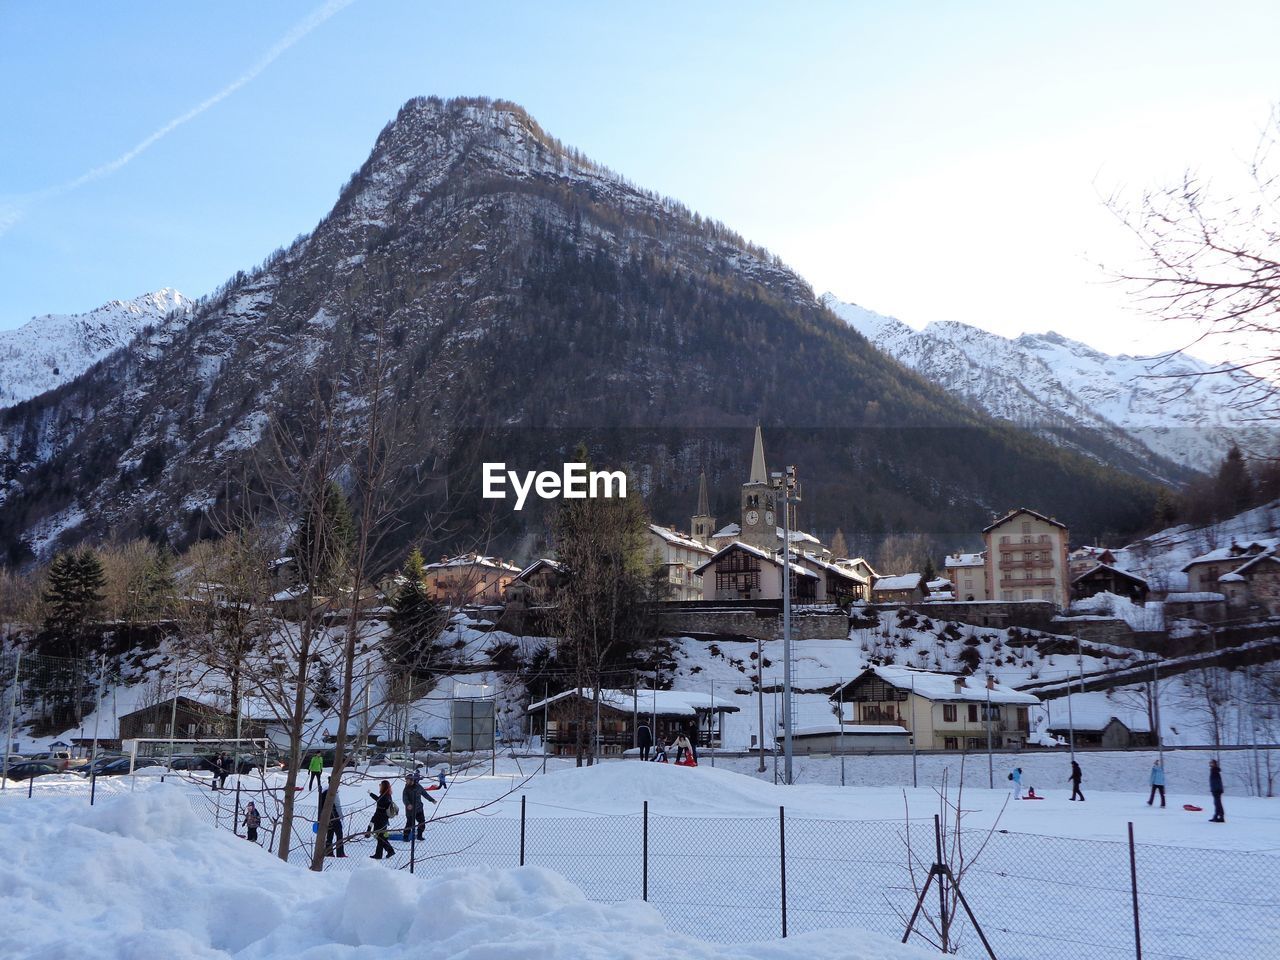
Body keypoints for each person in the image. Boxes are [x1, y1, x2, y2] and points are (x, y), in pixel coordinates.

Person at [401, 772, 435, 841]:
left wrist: (432, 800)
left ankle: (419, 835)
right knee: (409, 824)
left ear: (412, 780)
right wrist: (408, 805)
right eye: (406, 780)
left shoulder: (418, 787)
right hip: (410, 810)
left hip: (419, 808)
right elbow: (404, 798)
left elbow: (425, 794)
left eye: (407, 780)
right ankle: (405, 837)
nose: (406, 781)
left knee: (422, 822)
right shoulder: (406, 789)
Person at [369, 779, 396, 859]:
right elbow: (379, 800)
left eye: (381, 785)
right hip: (384, 820)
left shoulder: (384, 797)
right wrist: (371, 794)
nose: (379, 786)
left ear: (384, 787)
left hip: (380, 820)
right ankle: (386, 852)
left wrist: (372, 822)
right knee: (381, 836)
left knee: (379, 837)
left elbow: (379, 809)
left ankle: (385, 852)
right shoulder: (387, 795)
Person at [319, 786, 346, 857]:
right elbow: (337, 805)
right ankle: (340, 853)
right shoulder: (333, 793)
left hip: (326, 817)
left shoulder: (324, 792)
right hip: (334, 816)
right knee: (339, 834)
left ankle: (328, 852)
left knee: (330, 835)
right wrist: (341, 816)